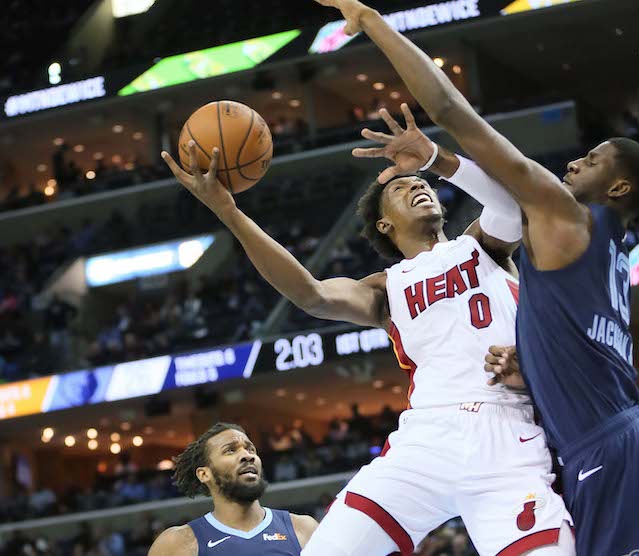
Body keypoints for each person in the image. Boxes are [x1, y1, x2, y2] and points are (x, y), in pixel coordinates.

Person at [313, 0, 639, 553]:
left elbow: (448, 106)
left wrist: (370, 22)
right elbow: (577, 347)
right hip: (609, 444)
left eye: (593, 159)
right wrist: (529, 365)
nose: (574, 162)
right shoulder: (609, 251)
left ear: (619, 188)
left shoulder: (566, 217)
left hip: (608, 451)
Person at [161, 131, 573, 553]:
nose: (416, 186)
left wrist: (435, 157)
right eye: (400, 188)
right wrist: (228, 212)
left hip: (507, 430)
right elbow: (310, 294)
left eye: (421, 183)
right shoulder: (386, 287)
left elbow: (511, 203)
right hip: (426, 437)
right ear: (384, 224)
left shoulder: (482, 246)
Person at [148, 423, 317, 555]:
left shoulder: (303, 529)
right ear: (204, 474)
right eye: (230, 450)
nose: (247, 455)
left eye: (250, 449)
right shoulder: (177, 544)